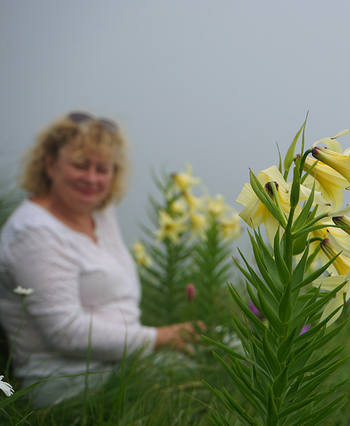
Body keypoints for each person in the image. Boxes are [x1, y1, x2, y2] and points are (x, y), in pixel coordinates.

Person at [0, 112, 202, 407]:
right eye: (80, 165)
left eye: (103, 169)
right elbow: (65, 333)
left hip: (120, 362)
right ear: (50, 163)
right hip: (68, 382)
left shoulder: (97, 210)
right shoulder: (33, 234)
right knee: (207, 376)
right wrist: (158, 337)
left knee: (223, 347)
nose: (92, 179)